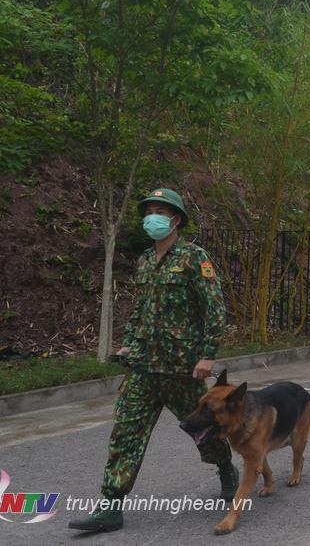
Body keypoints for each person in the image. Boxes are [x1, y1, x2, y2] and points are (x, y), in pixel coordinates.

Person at [69, 188, 235, 533]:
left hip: (181, 369)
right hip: (143, 369)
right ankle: (110, 505)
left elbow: (214, 308)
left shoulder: (193, 257)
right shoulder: (145, 260)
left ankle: (226, 470)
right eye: (148, 212)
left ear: (175, 219)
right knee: (125, 433)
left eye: (159, 212)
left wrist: (208, 354)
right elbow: (140, 310)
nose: (152, 218)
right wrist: (129, 344)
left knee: (204, 431)